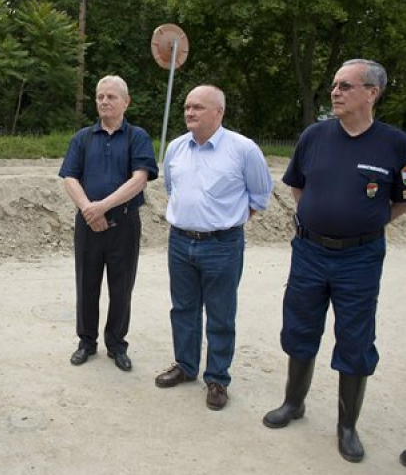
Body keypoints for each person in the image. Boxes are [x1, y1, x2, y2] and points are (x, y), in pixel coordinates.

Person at [262, 59, 406, 463]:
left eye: (345, 85)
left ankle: (347, 426)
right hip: (309, 251)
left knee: (356, 340)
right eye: (334, 85)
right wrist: (318, 222)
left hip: (360, 257)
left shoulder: (395, 143)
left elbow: (401, 199)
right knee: (300, 327)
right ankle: (294, 403)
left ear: (371, 93)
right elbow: (297, 187)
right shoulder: (314, 136)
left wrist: (366, 222)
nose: (335, 92)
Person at [154, 85, 273, 411]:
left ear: (219, 112)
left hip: (222, 245)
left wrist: (225, 222)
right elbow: (172, 189)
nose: (190, 112)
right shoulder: (176, 148)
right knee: (183, 309)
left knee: (221, 313)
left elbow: (259, 196)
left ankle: (218, 378)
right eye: (187, 107)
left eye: (198, 107)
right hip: (179, 241)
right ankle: (185, 366)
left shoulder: (244, 150)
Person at [59, 75, 158, 372]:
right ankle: (86, 342)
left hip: (124, 224)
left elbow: (139, 179)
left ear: (126, 102)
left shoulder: (137, 137)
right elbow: (69, 177)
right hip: (87, 223)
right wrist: (89, 209)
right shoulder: (83, 138)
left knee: (121, 287)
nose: (104, 101)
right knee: (86, 284)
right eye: (100, 96)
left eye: (111, 97)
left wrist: (103, 206)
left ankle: (116, 344)